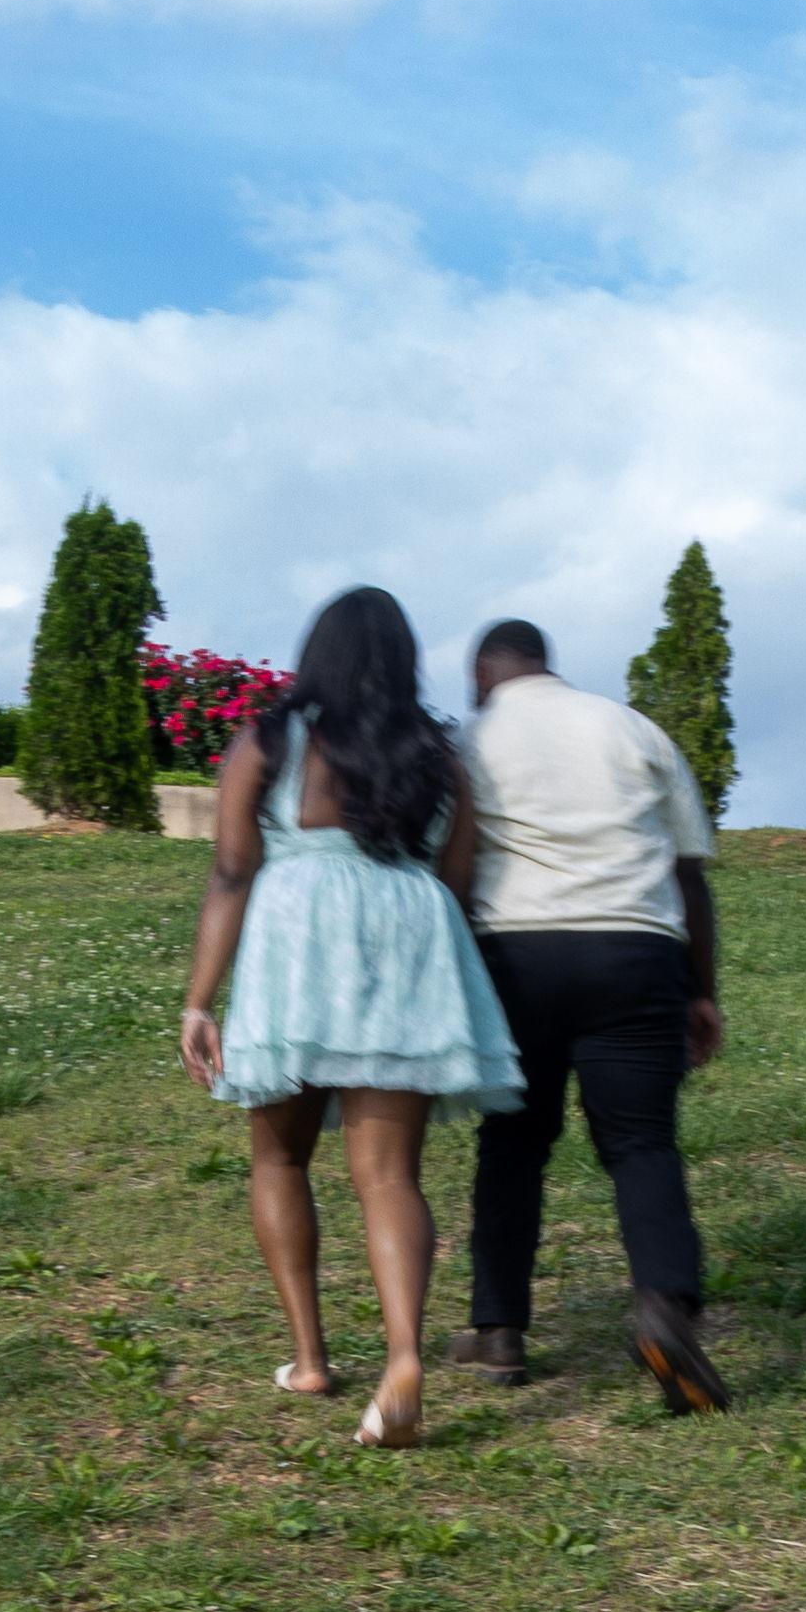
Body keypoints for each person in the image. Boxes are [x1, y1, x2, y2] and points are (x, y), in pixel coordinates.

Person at [178, 587, 522, 1449]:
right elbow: (456, 878)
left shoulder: (268, 740)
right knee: (390, 1176)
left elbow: (231, 872)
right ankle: (403, 1359)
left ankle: (310, 1359)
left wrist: (199, 999)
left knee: (278, 1154)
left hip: (298, 937)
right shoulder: (439, 754)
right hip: (410, 933)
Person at [450, 617, 732, 1415]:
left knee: (512, 1142)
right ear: (546, 665)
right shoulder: (632, 729)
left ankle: (498, 1330)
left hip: (514, 955)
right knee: (642, 1143)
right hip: (635, 951)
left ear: (483, 676)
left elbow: (451, 861)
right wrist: (700, 990)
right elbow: (688, 873)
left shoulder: (470, 739)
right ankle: (664, 1307)